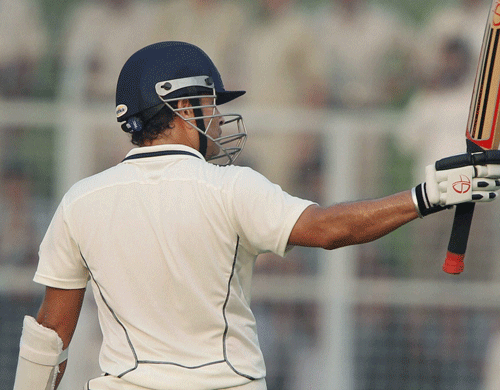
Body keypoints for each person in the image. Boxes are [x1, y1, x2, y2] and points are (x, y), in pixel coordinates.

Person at [12, 41, 500, 390]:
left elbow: (49, 335)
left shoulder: (80, 200)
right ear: (180, 105)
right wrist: (427, 195)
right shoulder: (230, 186)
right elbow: (329, 230)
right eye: (210, 104)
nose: (220, 118)